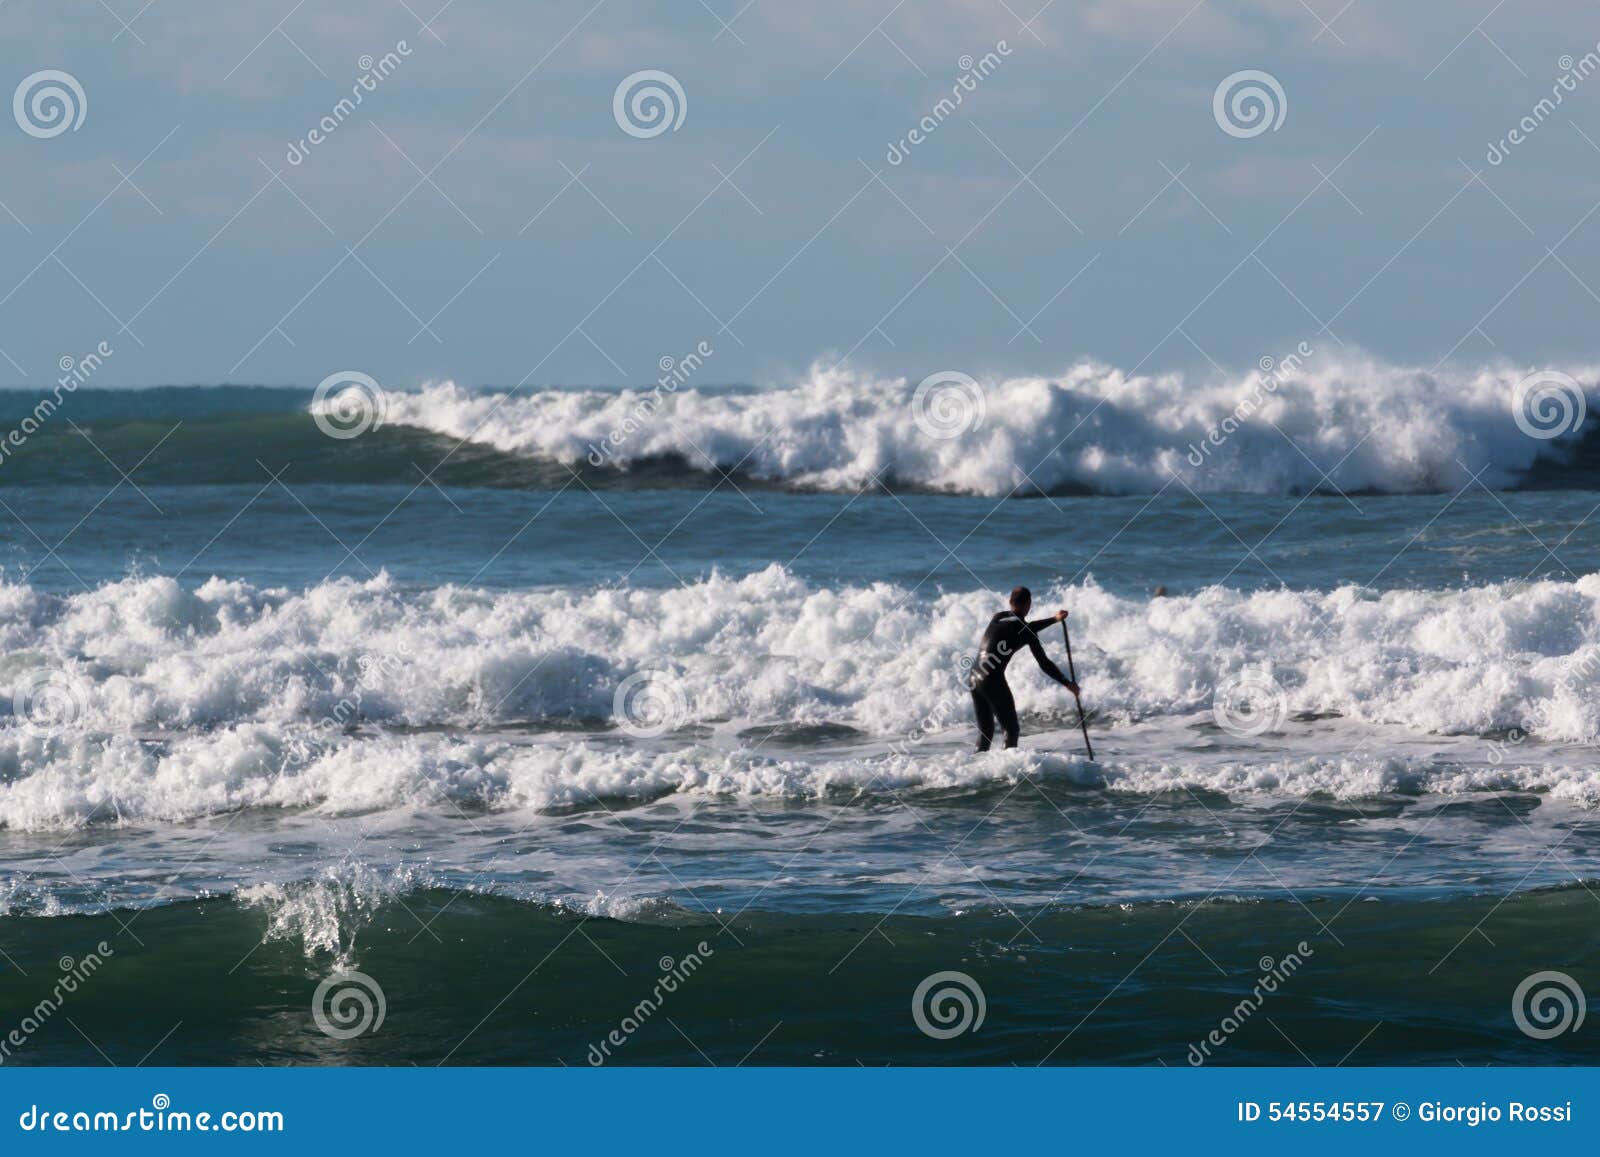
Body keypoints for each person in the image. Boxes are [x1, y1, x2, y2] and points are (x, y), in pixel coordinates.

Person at [968, 585, 1078, 752]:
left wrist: (1054, 619)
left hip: (974, 678)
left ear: (1010, 602)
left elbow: (1027, 625)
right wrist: (1066, 682)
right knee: (1011, 730)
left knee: (985, 733)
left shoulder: (997, 618)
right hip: (992, 680)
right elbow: (1044, 663)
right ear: (1029, 604)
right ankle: (1007, 772)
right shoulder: (1028, 631)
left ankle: (972, 769)